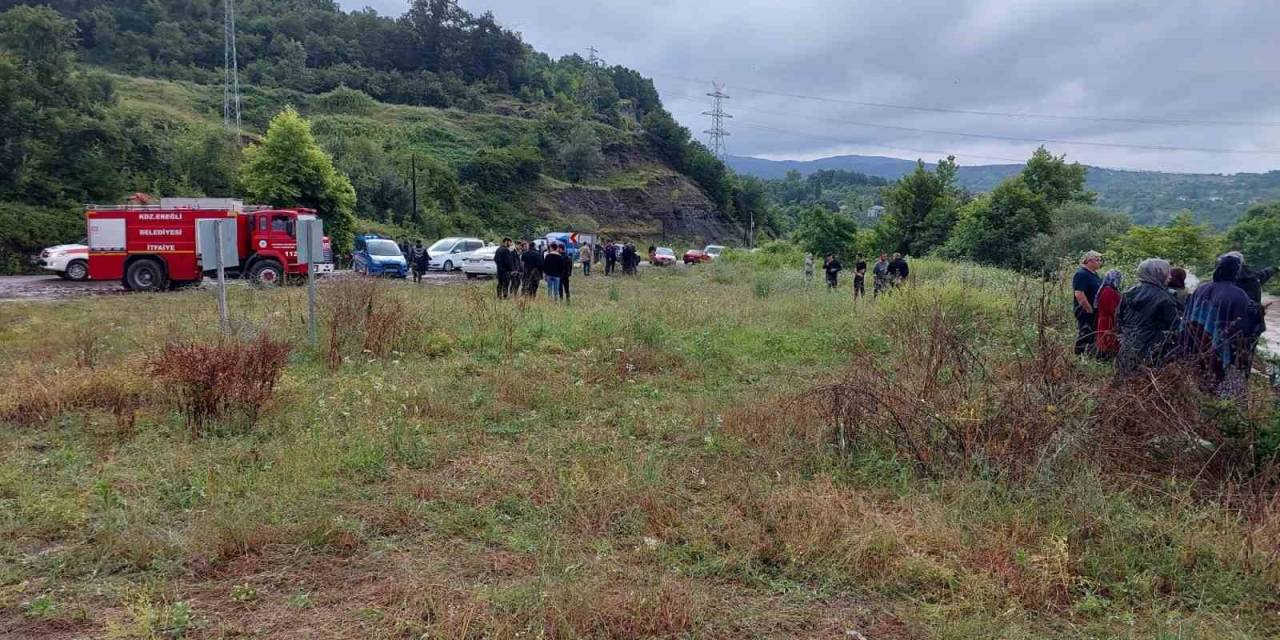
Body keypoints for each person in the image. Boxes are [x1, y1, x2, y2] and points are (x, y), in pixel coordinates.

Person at [1179, 254, 1259, 402]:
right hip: (1220, 351)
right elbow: (1244, 330)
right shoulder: (1239, 295)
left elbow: (1188, 318)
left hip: (1196, 346)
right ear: (1236, 272)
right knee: (1221, 388)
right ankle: (1219, 410)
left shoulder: (1201, 288)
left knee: (1198, 386)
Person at [1115, 259, 1178, 377]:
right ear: (1158, 273)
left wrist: (1123, 335)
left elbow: (1118, 317)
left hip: (1128, 343)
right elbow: (1175, 326)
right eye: (1167, 272)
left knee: (1125, 377)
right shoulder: (1165, 298)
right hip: (1152, 348)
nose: (1170, 276)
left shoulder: (1130, 292)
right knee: (1145, 381)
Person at [1072, 251, 1104, 356]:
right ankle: (1080, 356)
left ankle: (1089, 354)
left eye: (1100, 260)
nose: (1100, 262)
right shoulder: (1081, 274)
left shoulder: (1094, 274)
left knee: (1092, 333)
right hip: (1085, 310)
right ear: (1088, 261)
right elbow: (1079, 293)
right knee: (1085, 332)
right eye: (1097, 260)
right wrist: (1089, 309)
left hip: (1094, 309)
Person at [1093, 270, 1123, 359]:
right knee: (1107, 342)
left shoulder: (1110, 290)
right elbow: (1111, 308)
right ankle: (1104, 359)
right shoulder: (1108, 291)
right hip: (1108, 321)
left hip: (1108, 319)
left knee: (1108, 341)